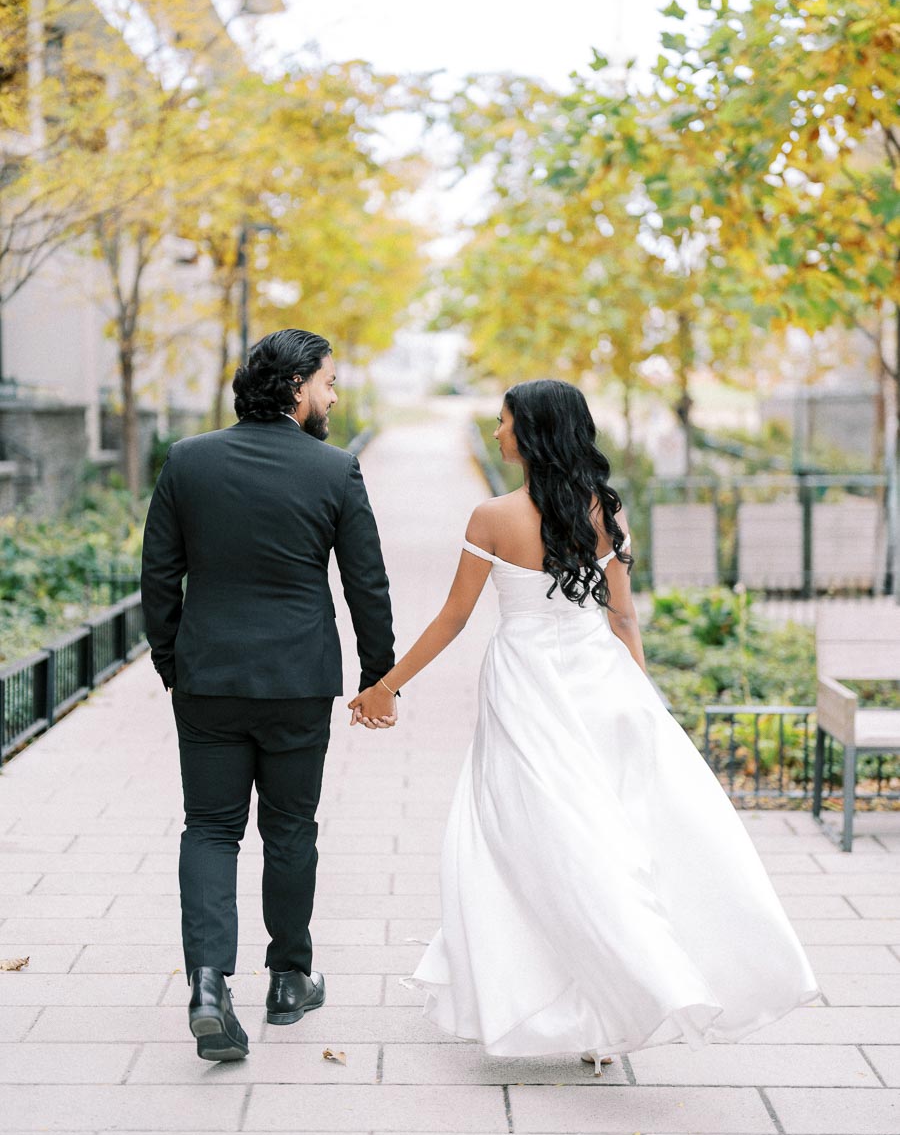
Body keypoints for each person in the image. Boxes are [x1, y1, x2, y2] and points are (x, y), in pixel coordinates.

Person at [349, 378, 819, 1072]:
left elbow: (454, 618)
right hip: (601, 680)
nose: (499, 433)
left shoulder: (491, 516)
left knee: (526, 837)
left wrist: (386, 686)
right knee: (601, 835)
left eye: (506, 423)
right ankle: (608, 1002)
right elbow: (623, 617)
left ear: (532, 433)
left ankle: (557, 996)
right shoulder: (604, 511)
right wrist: (644, 695)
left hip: (526, 685)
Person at [141, 328, 398, 1062]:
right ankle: (289, 981)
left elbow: (159, 576)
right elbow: (366, 583)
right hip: (296, 680)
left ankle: (208, 987)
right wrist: (377, 676)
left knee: (211, 829)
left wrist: (172, 662)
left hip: (209, 678)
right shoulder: (335, 469)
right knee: (291, 828)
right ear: (295, 386)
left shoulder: (188, 461)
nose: (334, 395)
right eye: (328, 382)